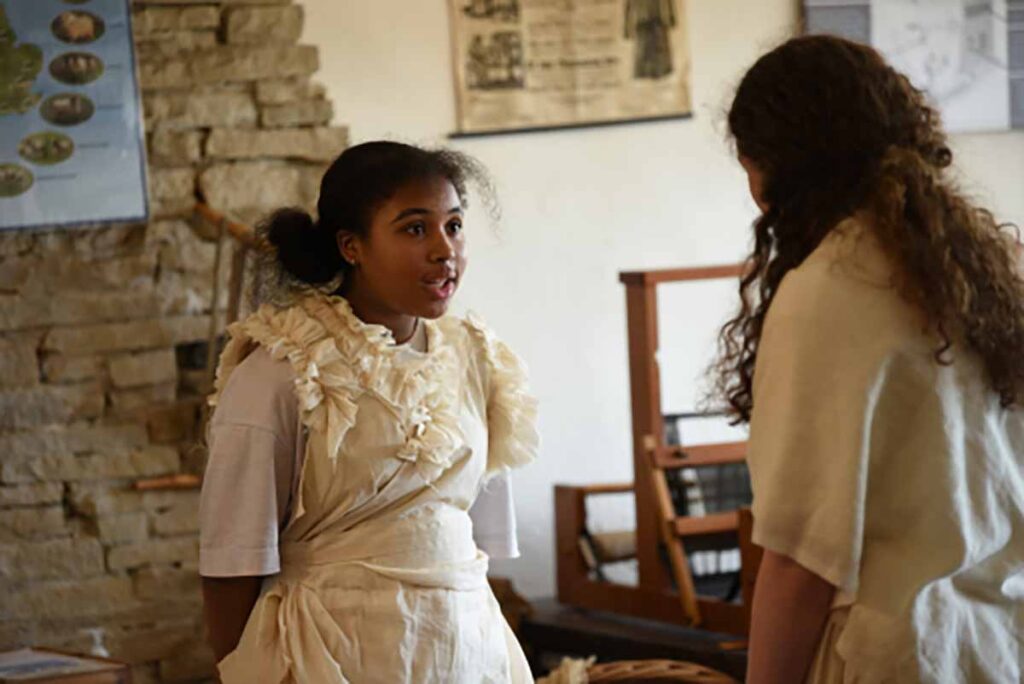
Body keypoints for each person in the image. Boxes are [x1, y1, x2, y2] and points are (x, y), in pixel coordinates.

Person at [716, 35, 1024, 683]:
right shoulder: (983, 274)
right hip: (999, 641)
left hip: (902, 655)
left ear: (778, 167)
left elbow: (800, 559)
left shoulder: (828, 293)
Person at [198, 141, 539, 683]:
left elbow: (475, 544)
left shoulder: (476, 359)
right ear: (351, 246)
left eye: (453, 225)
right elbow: (232, 559)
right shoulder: (285, 368)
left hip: (464, 652)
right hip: (332, 653)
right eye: (413, 229)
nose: (443, 250)